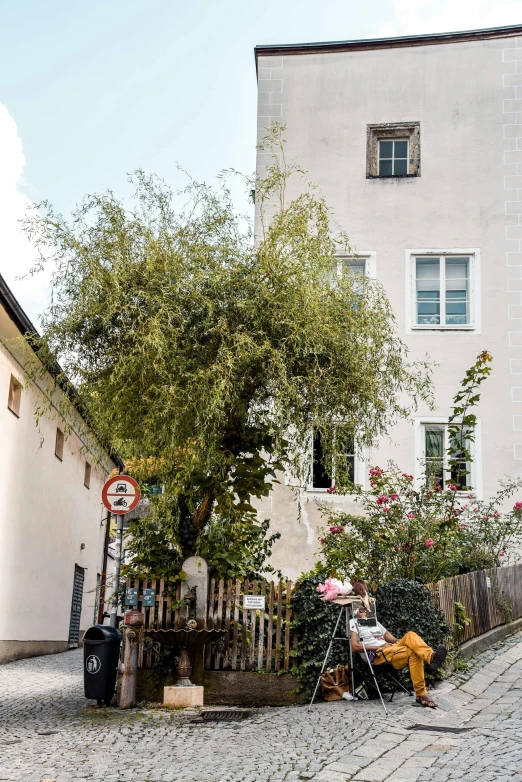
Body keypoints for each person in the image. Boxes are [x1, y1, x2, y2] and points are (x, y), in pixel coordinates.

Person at [349, 607, 447, 709]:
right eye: (361, 610)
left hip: (390, 649)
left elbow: (393, 639)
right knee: (414, 653)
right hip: (378, 654)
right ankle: (422, 694)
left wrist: (408, 642)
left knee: (410, 635)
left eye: (366, 609)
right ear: (357, 612)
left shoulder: (374, 622)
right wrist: (379, 647)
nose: (365, 612)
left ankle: (431, 657)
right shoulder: (354, 622)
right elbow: (355, 647)